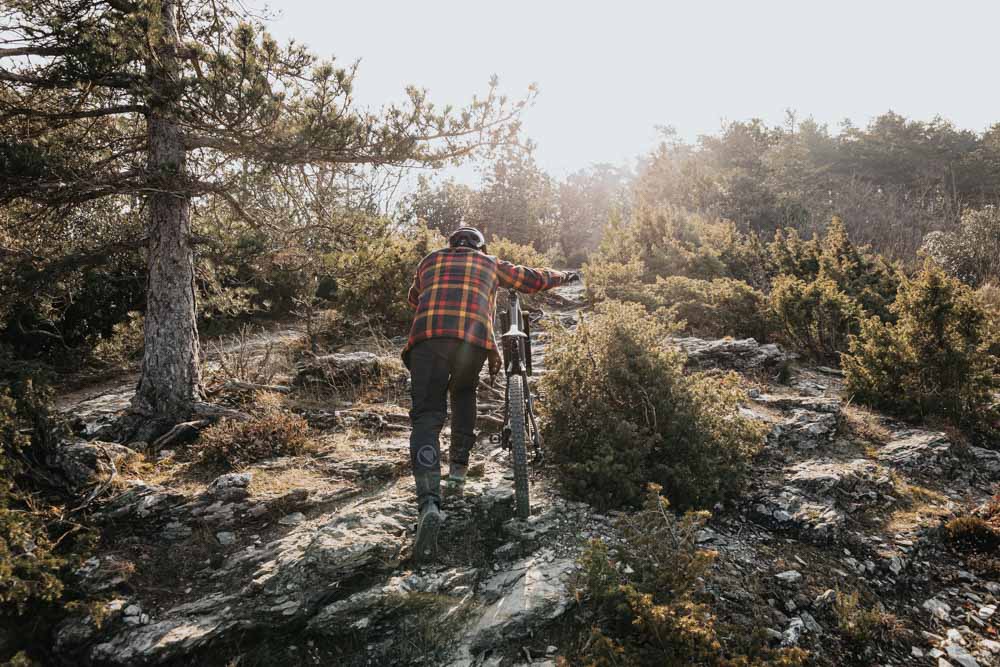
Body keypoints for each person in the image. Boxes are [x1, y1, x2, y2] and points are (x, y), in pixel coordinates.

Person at [402, 227, 579, 562]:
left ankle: (428, 503)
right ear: (480, 247)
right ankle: (458, 471)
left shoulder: (429, 261)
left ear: (451, 245)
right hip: (472, 340)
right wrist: (564, 275)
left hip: (427, 340)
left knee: (426, 418)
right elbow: (531, 279)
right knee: (465, 392)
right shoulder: (488, 263)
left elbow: (415, 298)